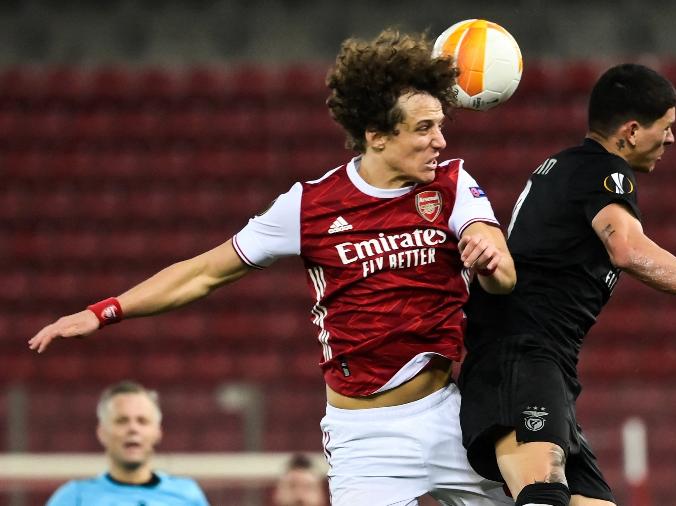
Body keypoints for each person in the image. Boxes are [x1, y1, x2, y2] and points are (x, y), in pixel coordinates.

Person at [29, 28, 515, 506]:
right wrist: (105, 310)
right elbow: (205, 272)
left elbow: (503, 267)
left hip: (446, 412)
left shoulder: (451, 184)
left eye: (440, 125)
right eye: (424, 128)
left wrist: (488, 254)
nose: (440, 141)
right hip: (367, 440)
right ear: (378, 136)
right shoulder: (309, 205)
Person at [458, 63, 676, 506]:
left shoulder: (568, 167)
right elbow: (628, 250)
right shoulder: (605, 172)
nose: (671, 139)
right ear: (631, 131)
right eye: (666, 127)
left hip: (542, 363)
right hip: (521, 358)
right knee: (543, 497)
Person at [46, 381, 209, 505]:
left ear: (157, 432)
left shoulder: (187, 494)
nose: (133, 428)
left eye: (142, 421)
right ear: (102, 432)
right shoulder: (74, 497)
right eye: (122, 421)